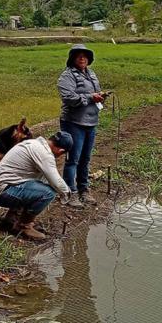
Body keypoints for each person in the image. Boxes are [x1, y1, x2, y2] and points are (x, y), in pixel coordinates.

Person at [0, 131, 73, 240]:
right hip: (3, 191)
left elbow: (45, 179)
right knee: (48, 193)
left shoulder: (34, 144)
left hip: (0, 187)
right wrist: (67, 194)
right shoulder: (44, 154)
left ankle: (12, 217)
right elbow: (57, 182)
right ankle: (23, 226)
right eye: (62, 154)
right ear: (61, 151)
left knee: (39, 183)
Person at [57, 44, 105, 208]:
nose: (82, 58)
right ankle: (70, 193)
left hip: (91, 121)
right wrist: (91, 97)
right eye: (79, 56)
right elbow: (68, 97)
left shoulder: (91, 74)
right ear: (73, 59)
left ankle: (84, 190)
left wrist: (100, 96)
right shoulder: (67, 76)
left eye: (85, 56)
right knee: (73, 159)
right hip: (73, 123)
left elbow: (94, 92)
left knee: (85, 158)